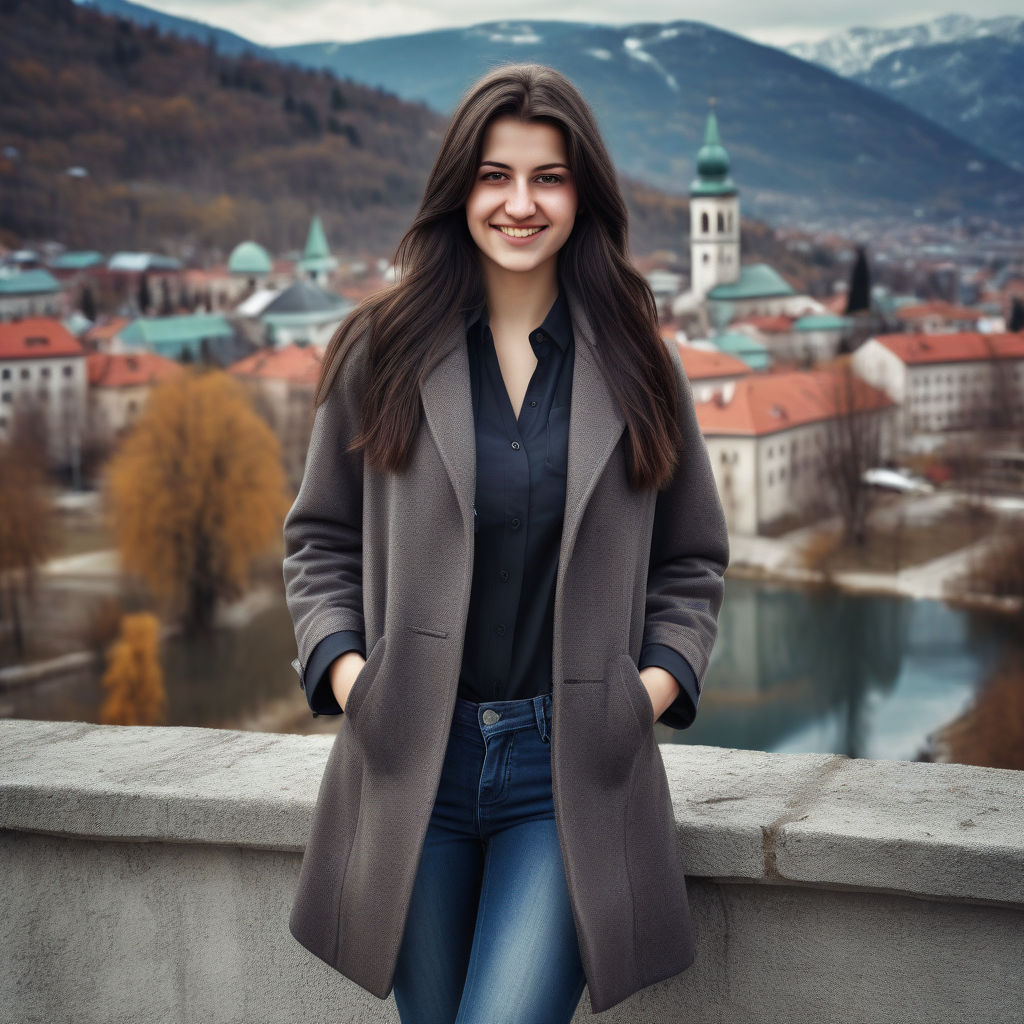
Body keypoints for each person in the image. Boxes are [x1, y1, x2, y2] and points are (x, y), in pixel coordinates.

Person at [283, 62, 729, 1022]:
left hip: (567, 770)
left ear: (584, 194)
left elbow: (692, 560)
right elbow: (319, 539)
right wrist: (358, 680)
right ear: (460, 189)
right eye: (495, 175)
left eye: (548, 177)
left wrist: (643, 693)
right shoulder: (381, 348)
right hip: (412, 761)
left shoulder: (643, 363)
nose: (520, 203)